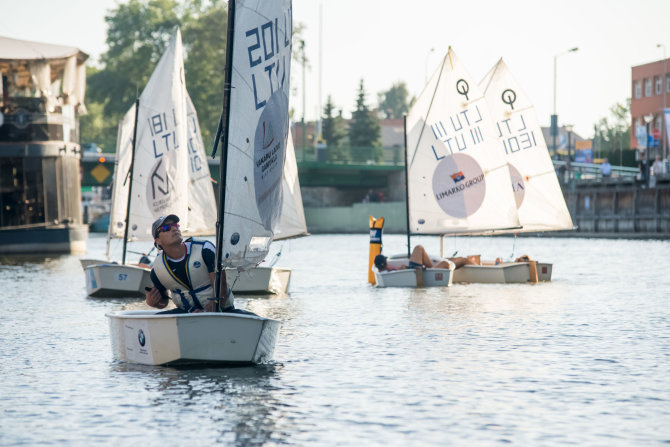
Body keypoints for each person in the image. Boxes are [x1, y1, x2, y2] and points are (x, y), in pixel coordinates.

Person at [144, 214, 246, 314]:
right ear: (158, 240)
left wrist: (205, 312)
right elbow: (163, 302)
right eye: (166, 227)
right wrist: (153, 302)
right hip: (186, 315)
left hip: (221, 312)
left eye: (175, 225)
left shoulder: (205, 250)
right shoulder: (157, 269)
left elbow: (221, 288)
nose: (174, 229)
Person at [374, 245, 474, 272]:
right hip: (419, 271)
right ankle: (477, 266)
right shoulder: (388, 271)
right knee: (448, 263)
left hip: (419, 269)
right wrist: (403, 268)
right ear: (385, 263)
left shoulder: (384, 270)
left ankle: (475, 265)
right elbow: (403, 271)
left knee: (459, 259)